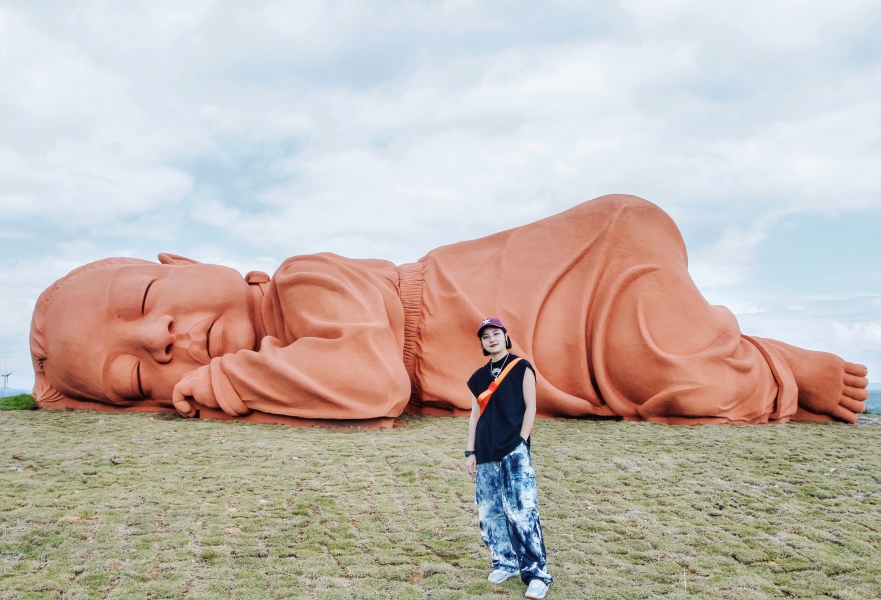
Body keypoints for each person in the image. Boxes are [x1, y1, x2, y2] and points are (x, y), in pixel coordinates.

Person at [29, 194, 870, 425]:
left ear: (180, 261)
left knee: (691, 383)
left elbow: (367, 380)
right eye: (134, 371)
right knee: (668, 385)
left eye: (144, 300)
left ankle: (772, 362)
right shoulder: (282, 352)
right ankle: (740, 352)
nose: (163, 340)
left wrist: (212, 389)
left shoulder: (303, 280)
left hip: (577, 278)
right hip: (533, 351)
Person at [466, 317, 552, 599]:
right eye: (485, 336)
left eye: (496, 334)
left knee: (522, 511)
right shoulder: (479, 377)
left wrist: (521, 440)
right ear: (481, 343)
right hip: (486, 451)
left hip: (513, 450)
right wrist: (471, 450)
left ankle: (537, 574)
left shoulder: (520, 367)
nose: (491, 339)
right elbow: (475, 415)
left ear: (505, 337)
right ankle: (505, 562)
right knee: (490, 513)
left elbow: (531, 406)